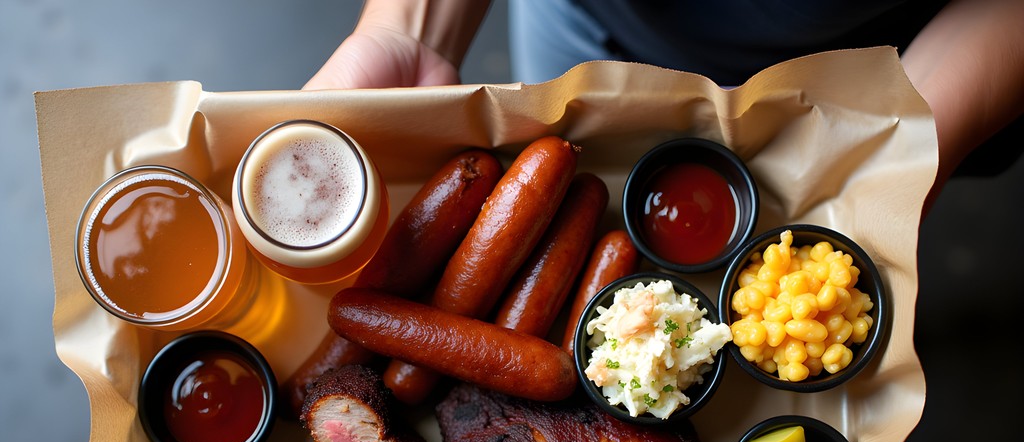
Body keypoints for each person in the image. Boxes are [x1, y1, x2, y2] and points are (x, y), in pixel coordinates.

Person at [304, 0, 1024, 214]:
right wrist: (409, 31)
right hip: (589, 25)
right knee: (567, 185)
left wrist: (909, 134)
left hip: (876, 70)